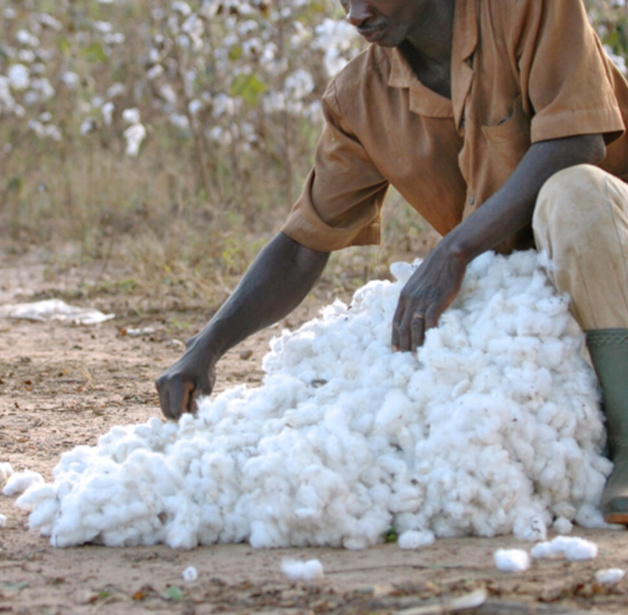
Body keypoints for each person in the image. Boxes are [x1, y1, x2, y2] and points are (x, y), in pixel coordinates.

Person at [155, 0, 628, 523]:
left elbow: (576, 141)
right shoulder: (361, 96)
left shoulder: (528, 9)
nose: (355, 14)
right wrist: (206, 347)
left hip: (616, 252)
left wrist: (455, 250)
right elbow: (302, 245)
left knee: (573, 191)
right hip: (554, 307)